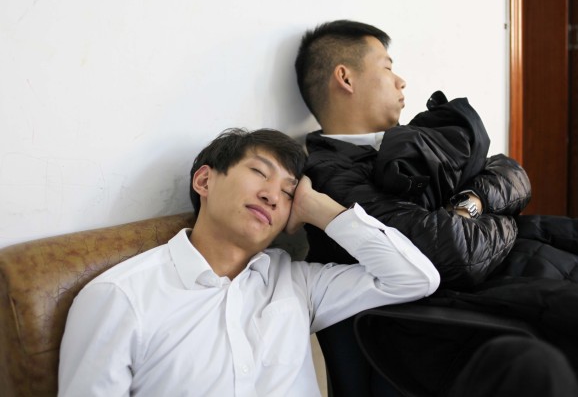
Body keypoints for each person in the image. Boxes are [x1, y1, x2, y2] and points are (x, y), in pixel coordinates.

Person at [295, 19, 578, 397]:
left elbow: (512, 173)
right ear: (345, 78)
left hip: (540, 263)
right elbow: (456, 252)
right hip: (479, 316)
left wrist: (472, 203)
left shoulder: (415, 137)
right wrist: (500, 215)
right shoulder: (332, 177)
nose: (401, 81)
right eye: (387, 67)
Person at [57, 127, 441, 396]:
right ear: (204, 181)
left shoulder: (297, 284)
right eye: (259, 172)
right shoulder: (120, 297)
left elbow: (414, 278)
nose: (273, 196)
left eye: (288, 193)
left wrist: (319, 208)